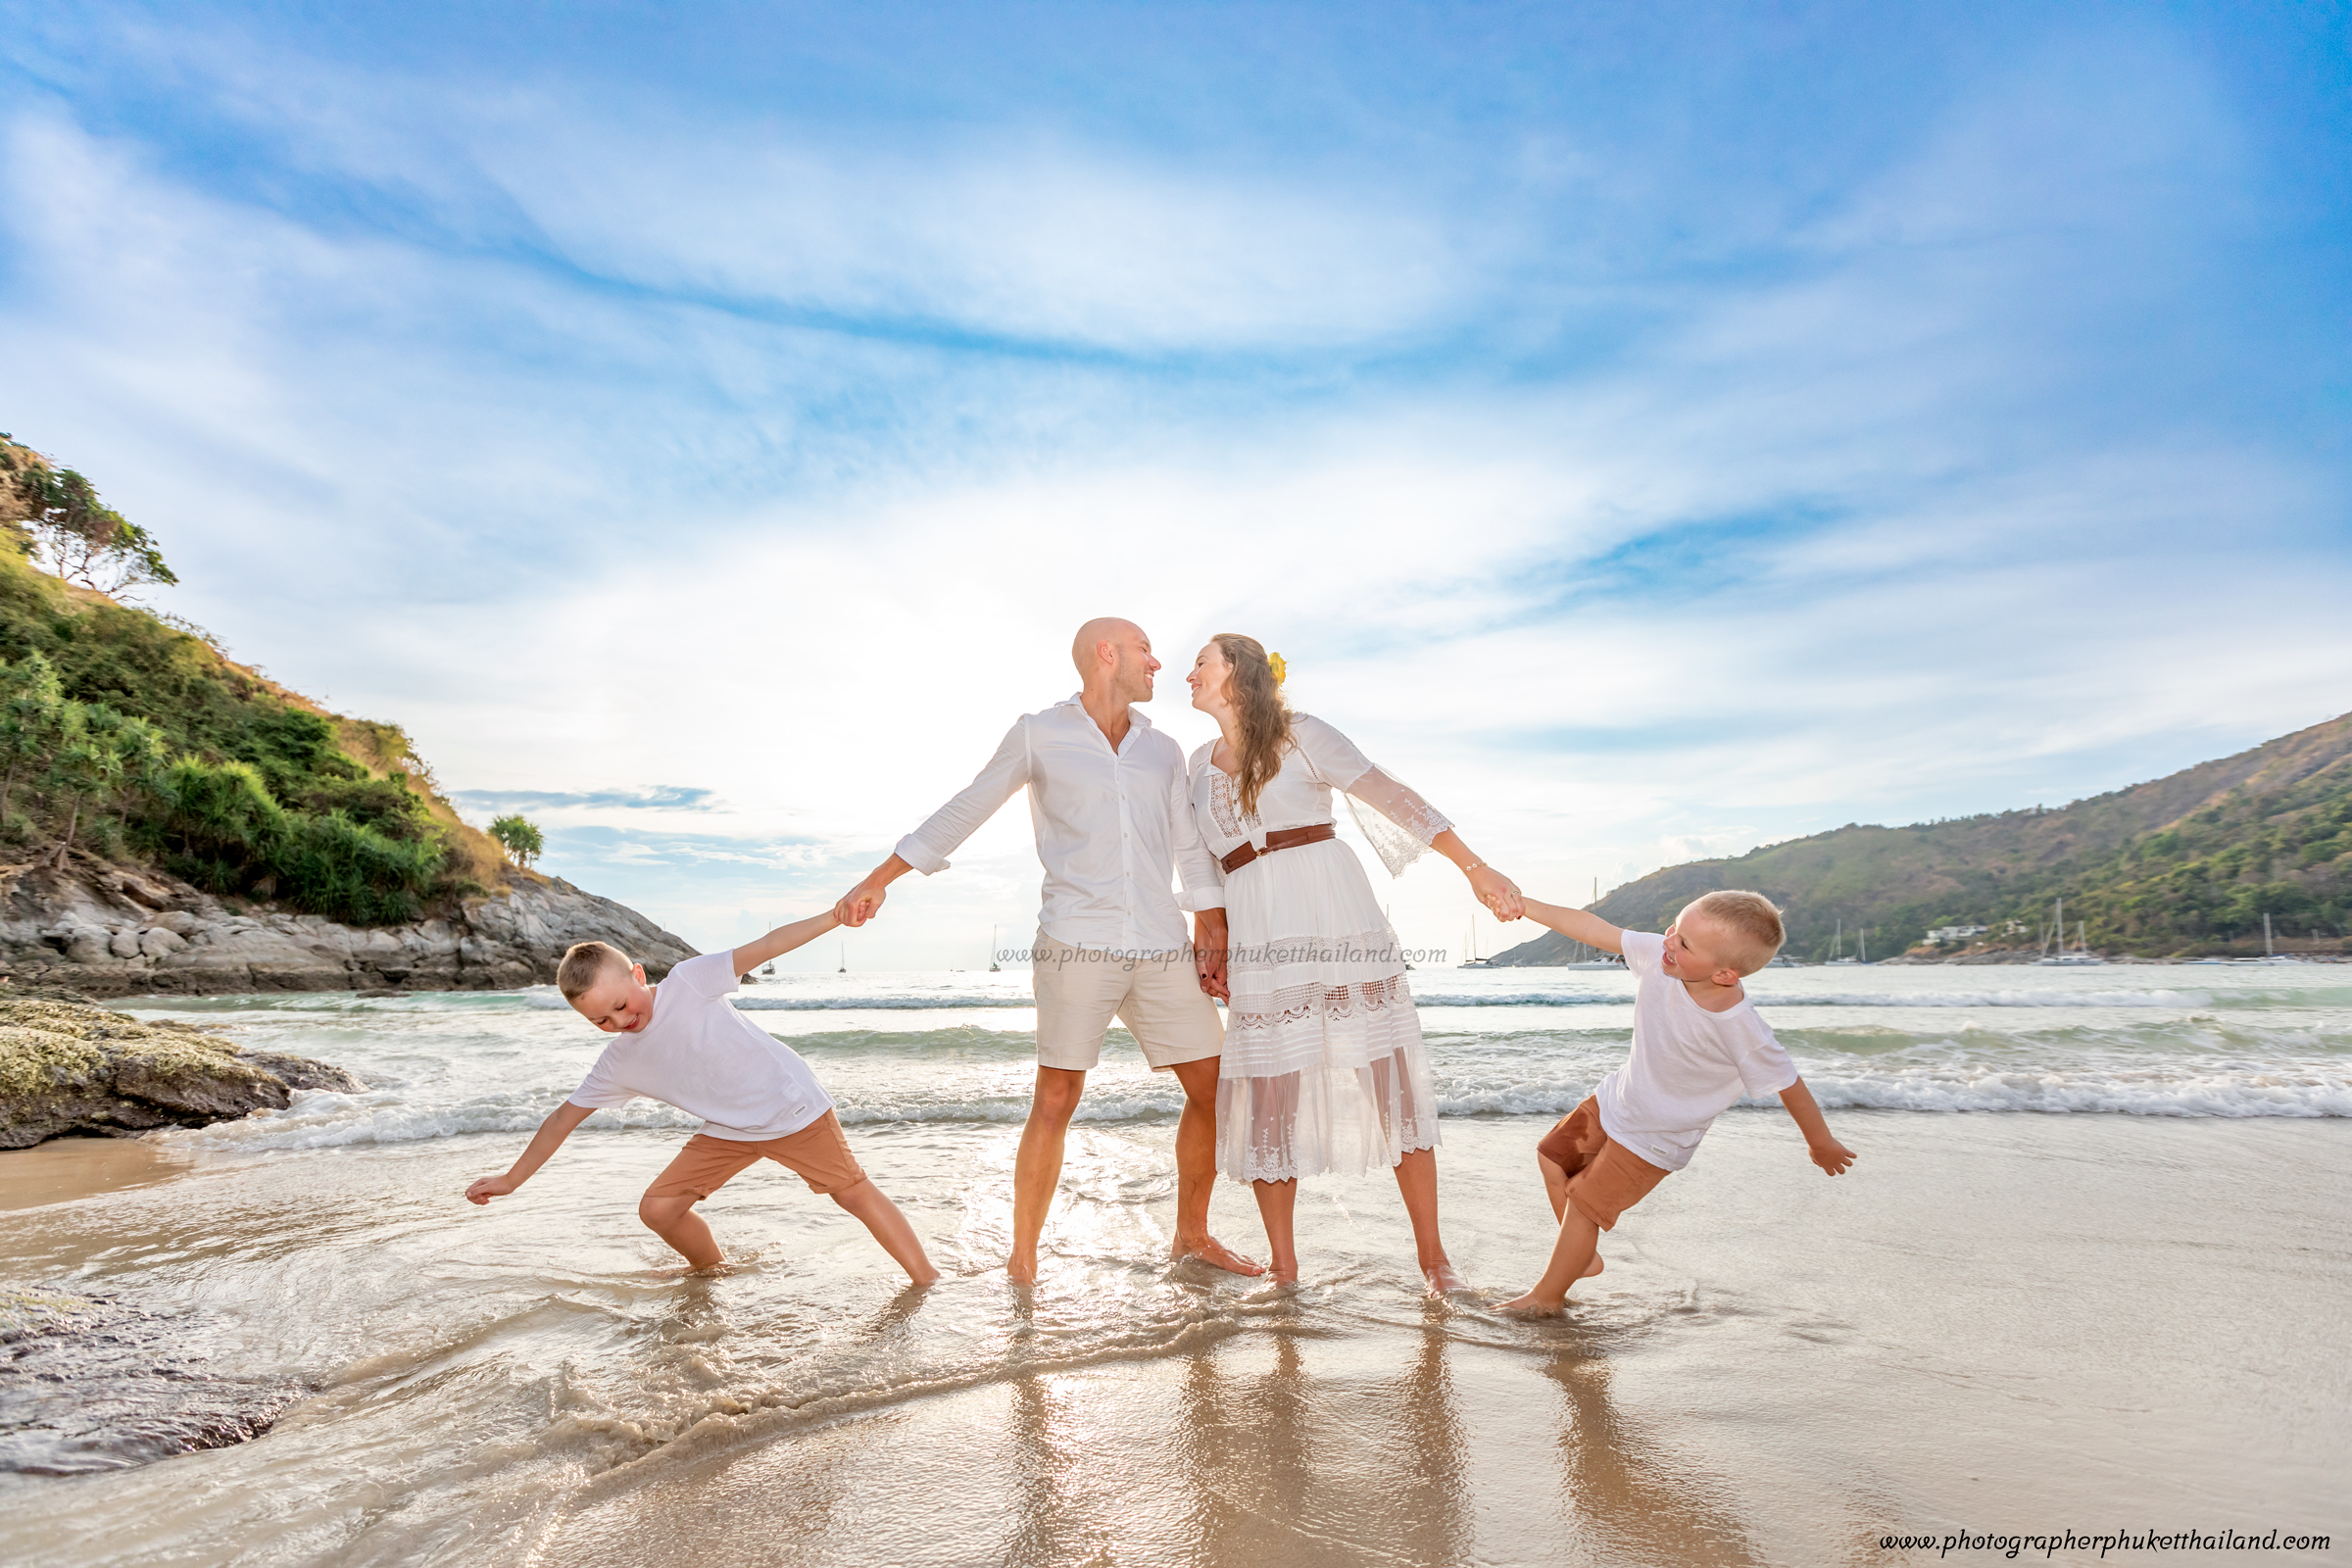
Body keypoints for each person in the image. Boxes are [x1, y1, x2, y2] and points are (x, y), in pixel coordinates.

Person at [834, 617, 1258, 1286]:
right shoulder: (1040, 732)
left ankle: (1192, 1234)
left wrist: (1214, 924)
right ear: (1106, 653)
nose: (1157, 663)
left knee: (1216, 1089)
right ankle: (1024, 1257)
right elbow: (967, 806)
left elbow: (1186, 844)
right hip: (1075, 942)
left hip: (1159, 942)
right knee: (1056, 1097)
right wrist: (880, 879)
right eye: (1145, 649)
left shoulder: (1164, 750)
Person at [1183, 633, 1522, 1291]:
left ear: (1239, 672)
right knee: (1270, 1094)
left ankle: (1434, 1261)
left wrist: (1474, 868)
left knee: (1386, 1079)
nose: (1189, 671)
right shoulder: (1196, 763)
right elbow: (1195, 856)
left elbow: (1387, 793)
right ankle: (1284, 1269)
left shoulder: (1301, 732)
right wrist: (1211, 931)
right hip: (1255, 917)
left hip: (1331, 904)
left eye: (1202, 661)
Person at [463, 914, 938, 1286]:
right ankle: (711, 1269)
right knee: (658, 1208)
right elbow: (562, 1119)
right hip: (729, 1130)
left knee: (851, 1192)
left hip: (790, 1109)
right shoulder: (618, 1062)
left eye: (622, 1005)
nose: (619, 1021)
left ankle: (927, 1278)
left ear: (638, 974)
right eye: (601, 1020)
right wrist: (511, 1179)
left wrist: (835, 918)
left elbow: (769, 946)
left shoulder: (689, 983)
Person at [1494, 889, 1856, 1313]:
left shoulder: (1740, 1026)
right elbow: (1593, 928)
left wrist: (1820, 1141)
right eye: (1673, 929)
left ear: (1724, 974)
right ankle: (1581, 1257)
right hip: (1618, 1101)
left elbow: (1788, 1082)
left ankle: (1547, 1297)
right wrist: (1527, 907)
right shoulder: (1660, 956)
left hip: (1658, 1137)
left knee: (1584, 1207)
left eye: (1684, 943)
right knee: (1551, 1158)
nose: (1668, 941)